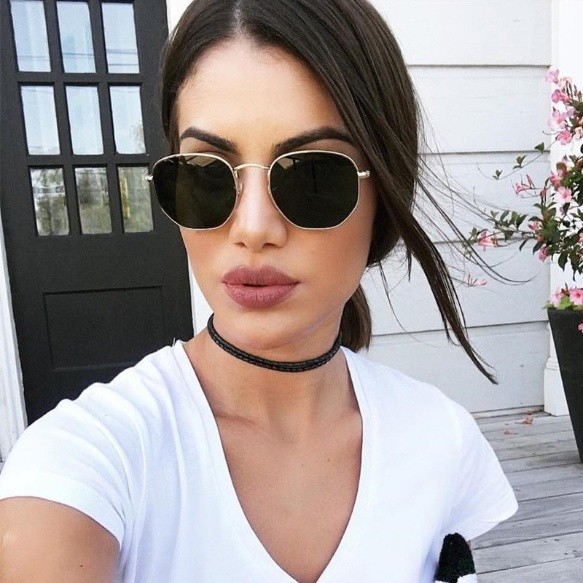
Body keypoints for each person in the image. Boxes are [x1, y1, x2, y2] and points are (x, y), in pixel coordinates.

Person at [0, 0, 517, 581]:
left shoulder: (440, 440)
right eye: (205, 173)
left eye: (313, 173)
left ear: (386, 192)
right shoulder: (85, 460)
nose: (252, 228)